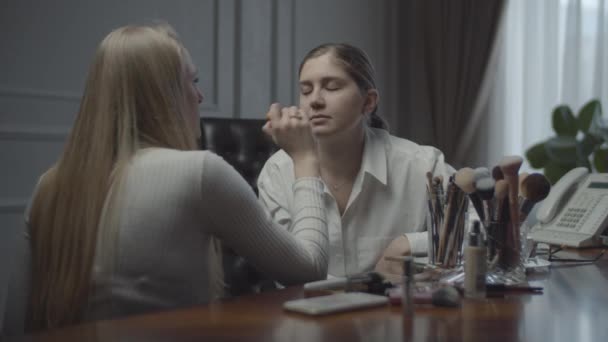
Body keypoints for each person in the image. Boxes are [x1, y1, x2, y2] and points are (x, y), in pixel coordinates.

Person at [1, 24, 328, 335]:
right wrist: (305, 157)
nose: (199, 97)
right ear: (162, 94)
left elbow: (14, 327)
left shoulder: (48, 185)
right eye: (193, 80)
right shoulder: (198, 173)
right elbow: (308, 269)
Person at [257, 43, 453, 278]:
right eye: (306, 90)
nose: (315, 101)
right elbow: (284, 268)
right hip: (308, 310)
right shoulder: (278, 171)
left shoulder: (423, 165)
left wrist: (409, 243)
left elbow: (477, 232)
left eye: (332, 87)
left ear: (368, 101)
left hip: (396, 311)